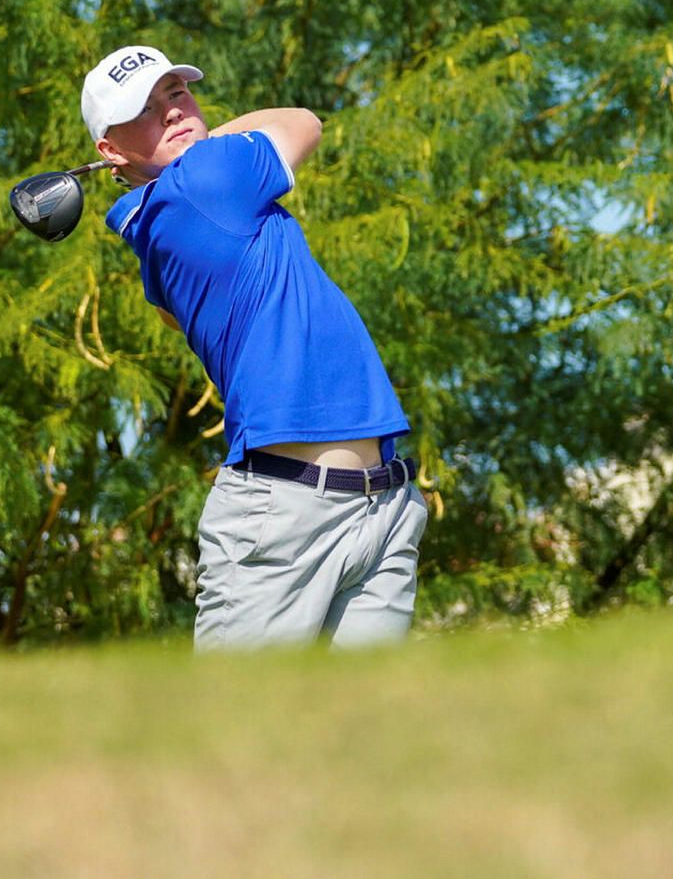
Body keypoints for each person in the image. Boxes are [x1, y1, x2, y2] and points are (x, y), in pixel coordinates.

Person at [80, 43, 427, 650]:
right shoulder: (209, 179)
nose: (171, 112)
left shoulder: (159, 220)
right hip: (286, 515)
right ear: (109, 149)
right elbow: (303, 122)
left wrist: (160, 158)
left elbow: (167, 314)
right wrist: (206, 142)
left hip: (385, 503)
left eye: (177, 93)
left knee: (366, 737)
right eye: (146, 109)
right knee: (232, 731)